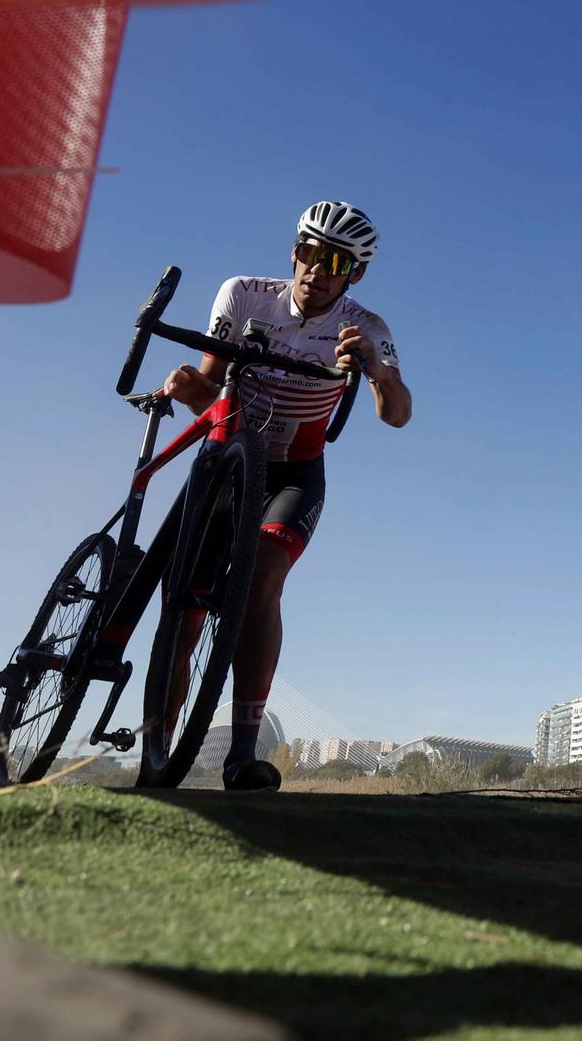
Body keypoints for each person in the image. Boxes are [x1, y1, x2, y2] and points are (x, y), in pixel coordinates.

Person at [160, 201, 412, 790]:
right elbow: (207, 391)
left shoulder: (366, 327)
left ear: (355, 274)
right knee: (187, 608)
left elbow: (397, 414)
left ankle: (242, 755)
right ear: (293, 250)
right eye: (306, 250)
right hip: (229, 462)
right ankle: (159, 745)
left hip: (294, 475)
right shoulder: (244, 295)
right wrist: (186, 384)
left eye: (334, 261)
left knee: (263, 577)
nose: (315, 268)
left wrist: (374, 368)